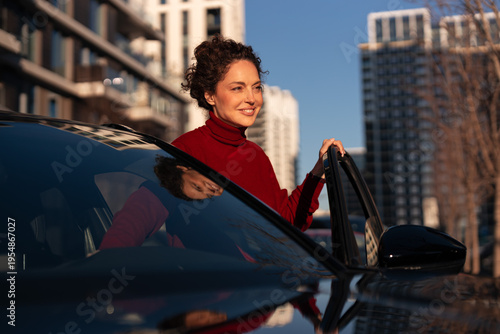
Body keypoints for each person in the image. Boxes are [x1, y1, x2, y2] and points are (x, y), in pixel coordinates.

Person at [172, 34, 345, 232]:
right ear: (210, 95)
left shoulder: (255, 156)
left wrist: (318, 171)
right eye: (238, 88)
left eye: (256, 88)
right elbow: (139, 218)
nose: (251, 98)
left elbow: (286, 224)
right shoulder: (183, 150)